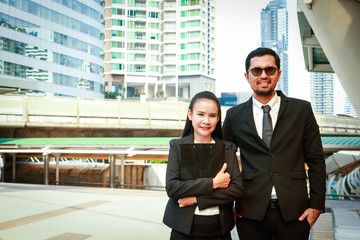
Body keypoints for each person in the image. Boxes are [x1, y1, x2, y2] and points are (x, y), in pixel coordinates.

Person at [223, 47, 326, 240]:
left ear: (278, 73)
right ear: (247, 76)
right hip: (250, 213)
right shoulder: (234, 115)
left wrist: (316, 206)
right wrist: (228, 207)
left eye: (269, 70)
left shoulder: (301, 110)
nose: (263, 75)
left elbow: (316, 160)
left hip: (296, 213)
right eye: (256, 70)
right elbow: (224, 164)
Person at [163, 91, 244, 240]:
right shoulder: (177, 146)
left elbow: (237, 190)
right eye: (200, 114)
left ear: (218, 118)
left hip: (219, 229)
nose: (206, 121)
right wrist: (213, 183)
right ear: (190, 114)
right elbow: (173, 188)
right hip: (183, 230)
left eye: (212, 116)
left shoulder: (227, 148)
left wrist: (197, 199)